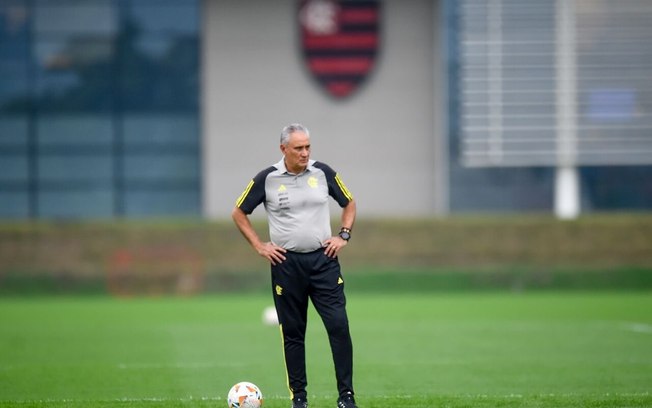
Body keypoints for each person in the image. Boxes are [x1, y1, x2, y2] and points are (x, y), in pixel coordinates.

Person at [231, 123, 358, 408]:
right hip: (286, 265)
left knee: (339, 326)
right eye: (299, 148)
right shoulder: (267, 178)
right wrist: (259, 246)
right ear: (283, 149)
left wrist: (343, 235)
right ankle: (299, 399)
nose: (305, 153)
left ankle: (346, 397)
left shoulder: (323, 173)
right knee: (293, 333)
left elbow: (349, 203)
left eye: (308, 146)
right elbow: (239, 212)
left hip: (324, 262)